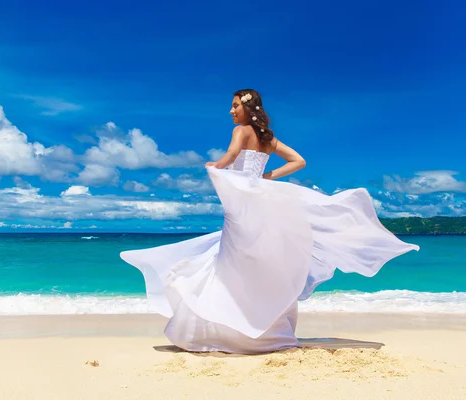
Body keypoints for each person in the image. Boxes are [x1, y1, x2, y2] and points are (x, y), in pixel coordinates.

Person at [120, 89, 419, 354]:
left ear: (248, 108)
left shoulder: (241, 131)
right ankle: (266, 330)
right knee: (261, 262)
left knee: (234, 262)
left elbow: (233, 153)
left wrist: (218, 166)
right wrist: (267, 177)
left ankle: (233, 330)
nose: (231, 110)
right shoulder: (267, 139)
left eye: (235, 105)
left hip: (242, 206)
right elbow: (299, 161)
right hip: (261, 204)